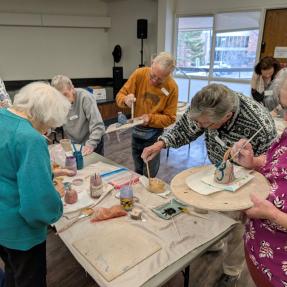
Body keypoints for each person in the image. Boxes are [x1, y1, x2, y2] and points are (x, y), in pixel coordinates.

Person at [142, 83, 277, 287]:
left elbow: (271, 163)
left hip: (247, 177)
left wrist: (251, 166)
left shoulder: (260, 123)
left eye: (206, 124)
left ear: (227, 117)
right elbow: (185, 128)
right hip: (218, 168)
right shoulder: (204, 104)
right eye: (200, 122)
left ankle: (232, 270)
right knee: (210, 208)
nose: (201, 126)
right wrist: (160, 144)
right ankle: (216, 240)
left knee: (239, 225)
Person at [0, 82, 71, 287]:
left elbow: (8, 165)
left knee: (12, 272)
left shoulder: (3, 117)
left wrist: (47, 171)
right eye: (49, 124)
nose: (48, 130)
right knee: (29, 280)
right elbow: (38, 206)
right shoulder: (30, 138)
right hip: (20, 233)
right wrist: (56, 197)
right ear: (41, 115)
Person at [231, 68, 287, 287]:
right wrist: (254, 162)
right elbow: (278, 161)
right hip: (258, 246)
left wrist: (272, 214)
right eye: (285, 107)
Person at [116, 52, 178, 177]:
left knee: (150, 173)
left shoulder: (172, 87)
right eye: (152, 75)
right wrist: (125, 100)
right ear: (152, 64)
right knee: (138, 170)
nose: (153, 81)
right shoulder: (139, 74)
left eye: (159, 79)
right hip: (136, 131)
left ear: (168, 75)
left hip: (154, 135)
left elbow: (170, 118)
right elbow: (119, 97)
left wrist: (150, 118)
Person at [51, 75, 105, 156]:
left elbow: (98, 126)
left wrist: (90, 145)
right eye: (59, 97)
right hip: (74, 144)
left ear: (72, 88)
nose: (63, 100)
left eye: (65, 94)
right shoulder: (58, 102)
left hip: (92, 141)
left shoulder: (85, 97)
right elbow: (53, 122)